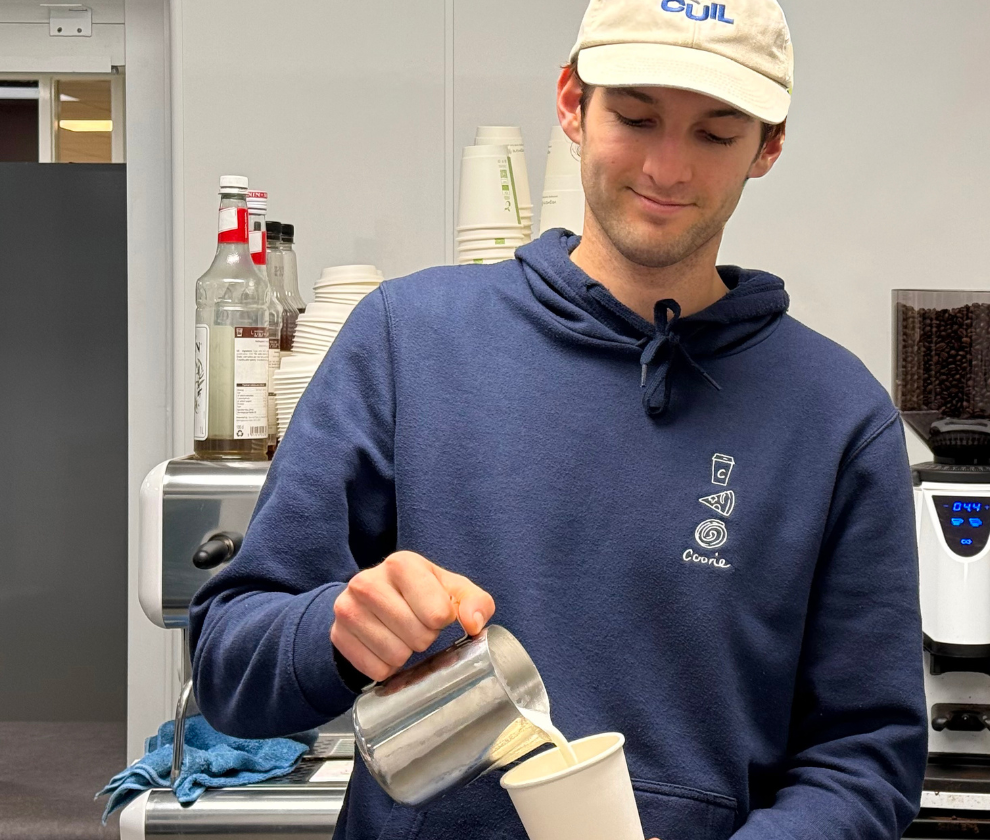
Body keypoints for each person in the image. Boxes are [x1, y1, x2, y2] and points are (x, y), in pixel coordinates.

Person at [188, 0, 927, 838]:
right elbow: (228, 664)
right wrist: (336, 628)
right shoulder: (408, 339)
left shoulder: (837, 416)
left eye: (716, 135)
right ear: (573, 103)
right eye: (636, 117)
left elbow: (866, 757)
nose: (668, 168)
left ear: (770, 145)